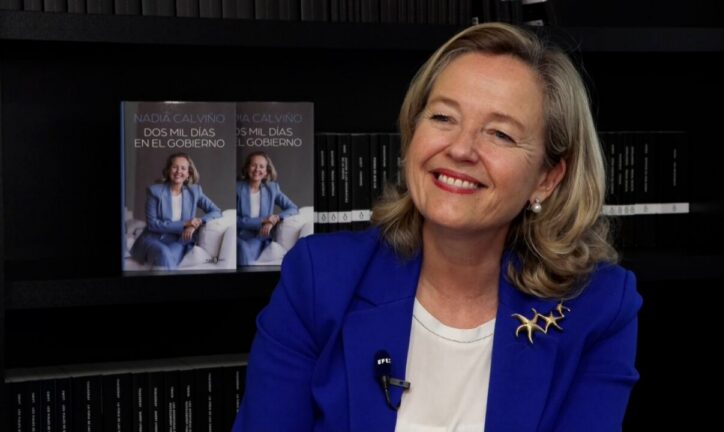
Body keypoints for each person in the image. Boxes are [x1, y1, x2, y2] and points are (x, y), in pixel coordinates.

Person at [233, 23, 641, 431]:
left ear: (547, 178)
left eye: (500, 133)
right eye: (443, 117)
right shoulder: (320, 279)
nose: (460, 149)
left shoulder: (600, 305)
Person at [130, 152, 222, 270]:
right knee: (163, 254)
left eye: (183, 168)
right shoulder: (154, 192)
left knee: (167, 257)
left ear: (188, 174)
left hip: (180, 239)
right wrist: (185, 223)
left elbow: (216, 211)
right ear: (168, 170)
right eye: (174, 167)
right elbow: (153, 225)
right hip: (153, 239)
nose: (179, 171)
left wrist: (195, 224)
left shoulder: (194, 192)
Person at [236, 151, 299, 265]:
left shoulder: (272, 189)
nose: (257, 169)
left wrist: (274, 219)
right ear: (247, 168)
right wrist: (263, 220)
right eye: (253, 165)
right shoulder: (237, 188)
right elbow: (235, 219)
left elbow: (293, 208)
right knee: (240, 246)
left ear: (266, 172)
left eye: (261, 166)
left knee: (243, 249)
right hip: (237, 235)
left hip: (258, 236)